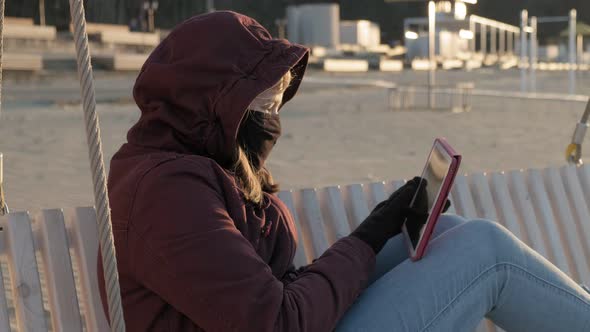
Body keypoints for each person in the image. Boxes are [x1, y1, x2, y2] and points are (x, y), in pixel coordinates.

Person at [98, 11, 590, 331]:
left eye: (279, 99)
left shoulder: (197, 168)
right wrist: (367, 238)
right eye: (264, 100)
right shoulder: (166, 193)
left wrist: (375, 234)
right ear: (211, 101)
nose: (273, 117)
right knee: (486, 255)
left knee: (452, 233)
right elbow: (277, 321)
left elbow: (274, 293)